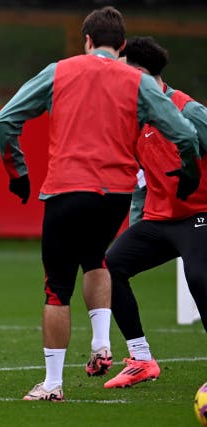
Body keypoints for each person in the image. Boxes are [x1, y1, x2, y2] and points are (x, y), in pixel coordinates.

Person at [0, 7, 200, 401]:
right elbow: (183, 132)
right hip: (115, 195)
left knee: (57, 288)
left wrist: (16, 171)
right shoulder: (136, 79)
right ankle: (102, 343)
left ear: (85, 40)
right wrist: (188, 169)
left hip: (66, 190)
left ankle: (53, 383)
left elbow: (7, 120)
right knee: (96, 259)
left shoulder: (60, 70)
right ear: (121, 46)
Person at [103, 36, 207, 389]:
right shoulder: (132, 119)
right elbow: (140, 181)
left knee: (201, 279)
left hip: (199, 217)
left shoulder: (190, 111)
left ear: (141, 75)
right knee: (109, 267)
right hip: (159, 221)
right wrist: (138, 227)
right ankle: (141, 359)